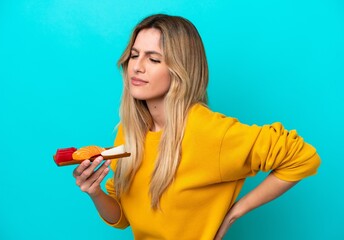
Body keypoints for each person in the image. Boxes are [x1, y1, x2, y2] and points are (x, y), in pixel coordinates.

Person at [72, 14, 321, 240]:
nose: (137, 67)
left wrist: (234, 212)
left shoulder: (209, 132)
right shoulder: (128, 132)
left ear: (180, 70)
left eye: (154, 59)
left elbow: (302, 157)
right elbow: (123, 219)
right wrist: (94, 192)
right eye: (134, 55)